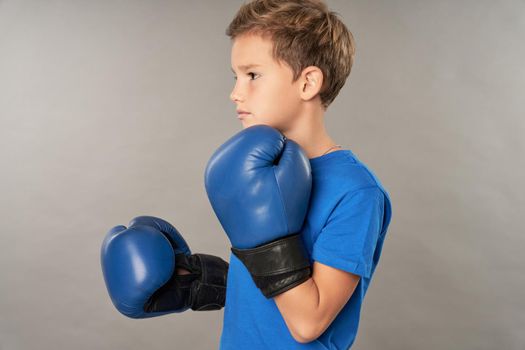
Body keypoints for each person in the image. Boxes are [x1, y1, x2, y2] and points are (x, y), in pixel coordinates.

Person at [212, 0, 393, 349]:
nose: (235, 93)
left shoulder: (356, 193)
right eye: (235, 77)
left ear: (308, 83)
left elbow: (308, 322)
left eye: (253, 75)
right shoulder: (261, 170)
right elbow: (268, 296)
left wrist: (265, 242)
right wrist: (205, 282)